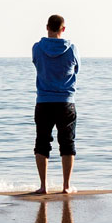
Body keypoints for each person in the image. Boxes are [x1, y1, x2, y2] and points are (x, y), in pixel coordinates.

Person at [30, 14, 79, 195]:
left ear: (47, 27)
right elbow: (77, 69)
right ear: (63, 29)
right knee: (67, 143)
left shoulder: (37, 48)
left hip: (43, 101)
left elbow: (36, 63)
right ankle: (66, 186)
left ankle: (44, 186)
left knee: (42, 142)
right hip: (66, 101)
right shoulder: (72, 49)